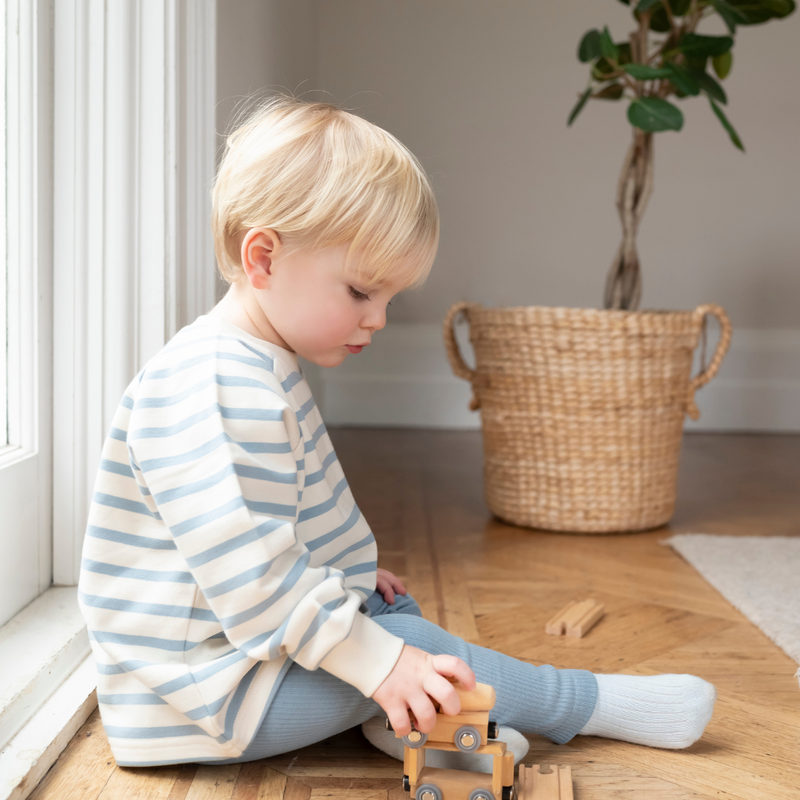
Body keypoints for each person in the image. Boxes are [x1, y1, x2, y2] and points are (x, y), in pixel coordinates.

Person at [77, 93, 717, 769]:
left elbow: (265, 526)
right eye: (359, 292)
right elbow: (255, 582)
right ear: (262, 258)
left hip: (236, 664)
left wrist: (344, 576)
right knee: (422, 649)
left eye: (388, 299)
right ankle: (584, 704)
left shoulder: (252, 366)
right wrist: (382, 662)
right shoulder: (213, 387)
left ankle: (416, 727)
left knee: (392, 613)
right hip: (207, 703)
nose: (377, 319)